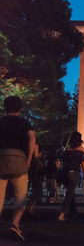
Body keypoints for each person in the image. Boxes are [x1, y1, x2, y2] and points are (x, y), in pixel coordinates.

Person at [0, 96, 35, 241]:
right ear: (20, 109)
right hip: (19, 158)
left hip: (1, 157)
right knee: (20, 195)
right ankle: (15, 224)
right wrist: (29, 158)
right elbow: (32, 138)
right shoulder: (25, 123)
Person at [57, 132, 84, 221]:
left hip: (64, 173)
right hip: (73, 173)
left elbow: (61, 160)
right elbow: (83, 164)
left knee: (70, 192)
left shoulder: (67, 150)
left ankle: (73, 211)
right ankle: (62, 213)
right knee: (69, 193)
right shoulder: (82, 150)